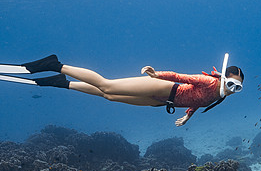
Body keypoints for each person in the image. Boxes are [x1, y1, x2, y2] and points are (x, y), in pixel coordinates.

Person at [0, 53, 244, 127]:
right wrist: (156, 74)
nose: (232, 89)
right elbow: (181, 77)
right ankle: (56, 65)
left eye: (238, 88)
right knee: (107, 84)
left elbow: (197, 102)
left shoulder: (218, 96)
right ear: (223, 77)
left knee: (109, 96)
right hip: (163, 88)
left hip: (160, 103)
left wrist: (187, 116)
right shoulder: (211, 83)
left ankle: (62, 82)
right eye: (230, 83)